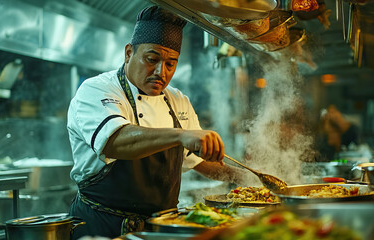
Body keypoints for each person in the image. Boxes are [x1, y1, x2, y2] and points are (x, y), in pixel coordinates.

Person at [67, 6, 246, 239]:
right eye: (152, 59)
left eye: (171, 64)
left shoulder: (178, 100)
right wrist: (181, 136)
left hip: (162, 227)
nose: (161, 72)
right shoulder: (97, 89)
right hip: (103, 226)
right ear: (129, 53)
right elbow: (116, 142)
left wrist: (245, 177)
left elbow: (198, 160)